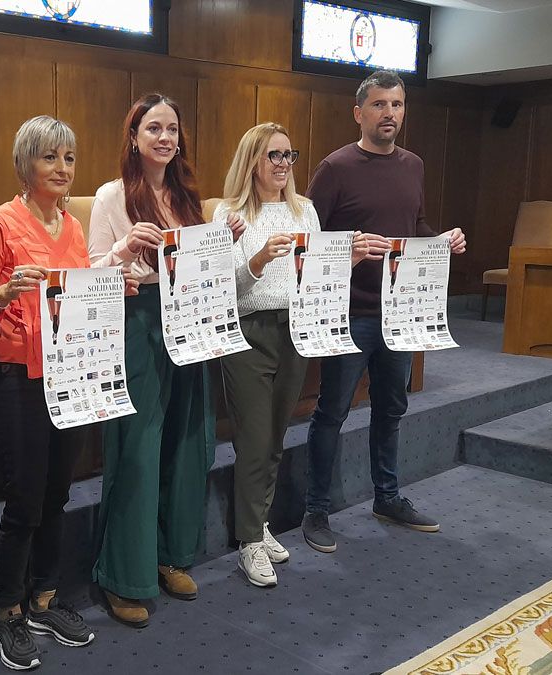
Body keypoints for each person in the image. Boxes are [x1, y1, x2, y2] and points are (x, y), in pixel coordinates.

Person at [0, 115, 136, 671]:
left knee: (59, 493)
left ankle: (43, 598)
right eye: (49, 158)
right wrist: (0, 291)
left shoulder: (75, 226)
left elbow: (79, 296)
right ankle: (6, 612)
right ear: (25, 164)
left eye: (69, 159)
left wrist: (115, 287)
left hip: (69, 375)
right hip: (16, 379)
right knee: (24, 500)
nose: (62, 169)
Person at [87, 93, 241, 627]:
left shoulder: (187, 196)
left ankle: (172, 555)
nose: (165, 138)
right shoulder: (110, 197)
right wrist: (126, 250)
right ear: (134, 137)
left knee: (188, 440)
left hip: (189, 319)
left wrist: (224, 242)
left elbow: (204, 269)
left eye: (173, 129)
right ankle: (124, 575)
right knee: (139, 446)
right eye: (154, 128)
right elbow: (92, 277)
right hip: (136, 322)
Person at [302, 70, 467, 552]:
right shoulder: (335, 167)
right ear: (359, 113)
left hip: (401, 313)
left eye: (396, 105)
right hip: (350, 311)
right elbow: (309, 238)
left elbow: (413, 226)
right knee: (331, 412)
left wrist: (441, 240)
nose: (389, 114)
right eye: (379, 105)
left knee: (392, 408)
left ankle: (387, 496)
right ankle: (316, 509)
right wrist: (345, 247)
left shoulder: (413, 165)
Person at [216, 122, 369, 587]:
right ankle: (247, 541)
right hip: (248, 330)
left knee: (277, 434)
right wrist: (258, 259)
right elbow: (223, 288)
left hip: (295, 330)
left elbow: (317, 276)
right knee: (254, 437)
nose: (282, 165)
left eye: (288, 155)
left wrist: (350, 260)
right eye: (272, 156)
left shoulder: (305, 211)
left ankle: (259, 525)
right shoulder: (231, 213)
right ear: (251, 161)